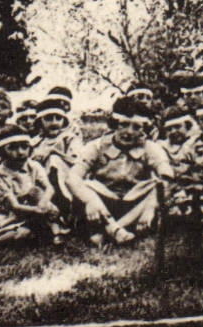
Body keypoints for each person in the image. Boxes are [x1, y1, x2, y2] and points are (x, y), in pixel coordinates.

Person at [68, 97, 173, 245]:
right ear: (115, 124)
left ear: (145, 129)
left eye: (136, 127)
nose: (129, 132)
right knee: (85, 185)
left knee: (158, 184)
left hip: (135, 206)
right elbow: (72, 177)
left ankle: (110, 231)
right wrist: (90, 200)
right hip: (103, 204)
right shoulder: (97, 146)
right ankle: (114, 229)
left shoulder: (150, 147)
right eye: (124, 125)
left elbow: (167, 177)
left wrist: (150, 207)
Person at [0, 130, 63, 245]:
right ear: (2, 151)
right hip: (9, 213)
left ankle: (56, 234)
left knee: (37, 192)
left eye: (24, 147)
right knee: (21, 234)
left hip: (32, 207)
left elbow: (49, 188)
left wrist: (44, 203)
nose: (20, 152)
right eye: (12, 148)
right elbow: (14, 206)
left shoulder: (33, 165)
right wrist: (37, 210)